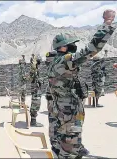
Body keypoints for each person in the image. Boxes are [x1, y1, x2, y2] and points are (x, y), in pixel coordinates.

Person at [47, 9, 115, 158]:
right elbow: (91, 49)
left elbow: (50, 96)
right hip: (69, 116)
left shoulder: (54, 63)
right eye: (70, 45)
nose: (73, 48)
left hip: (63, 115)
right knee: (69, 152)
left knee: (64, 147)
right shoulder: (64, 61)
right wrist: (107, 24)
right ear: (63, 47)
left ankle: (75, 149)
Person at [29, 54, 43, 127]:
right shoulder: (34, 69)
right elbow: (33, 78)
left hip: (36, 89)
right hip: (36, 90)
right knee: (36, 104)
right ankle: (33, 122)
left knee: (35, 103)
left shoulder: (35, 69)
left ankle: (33, 120)